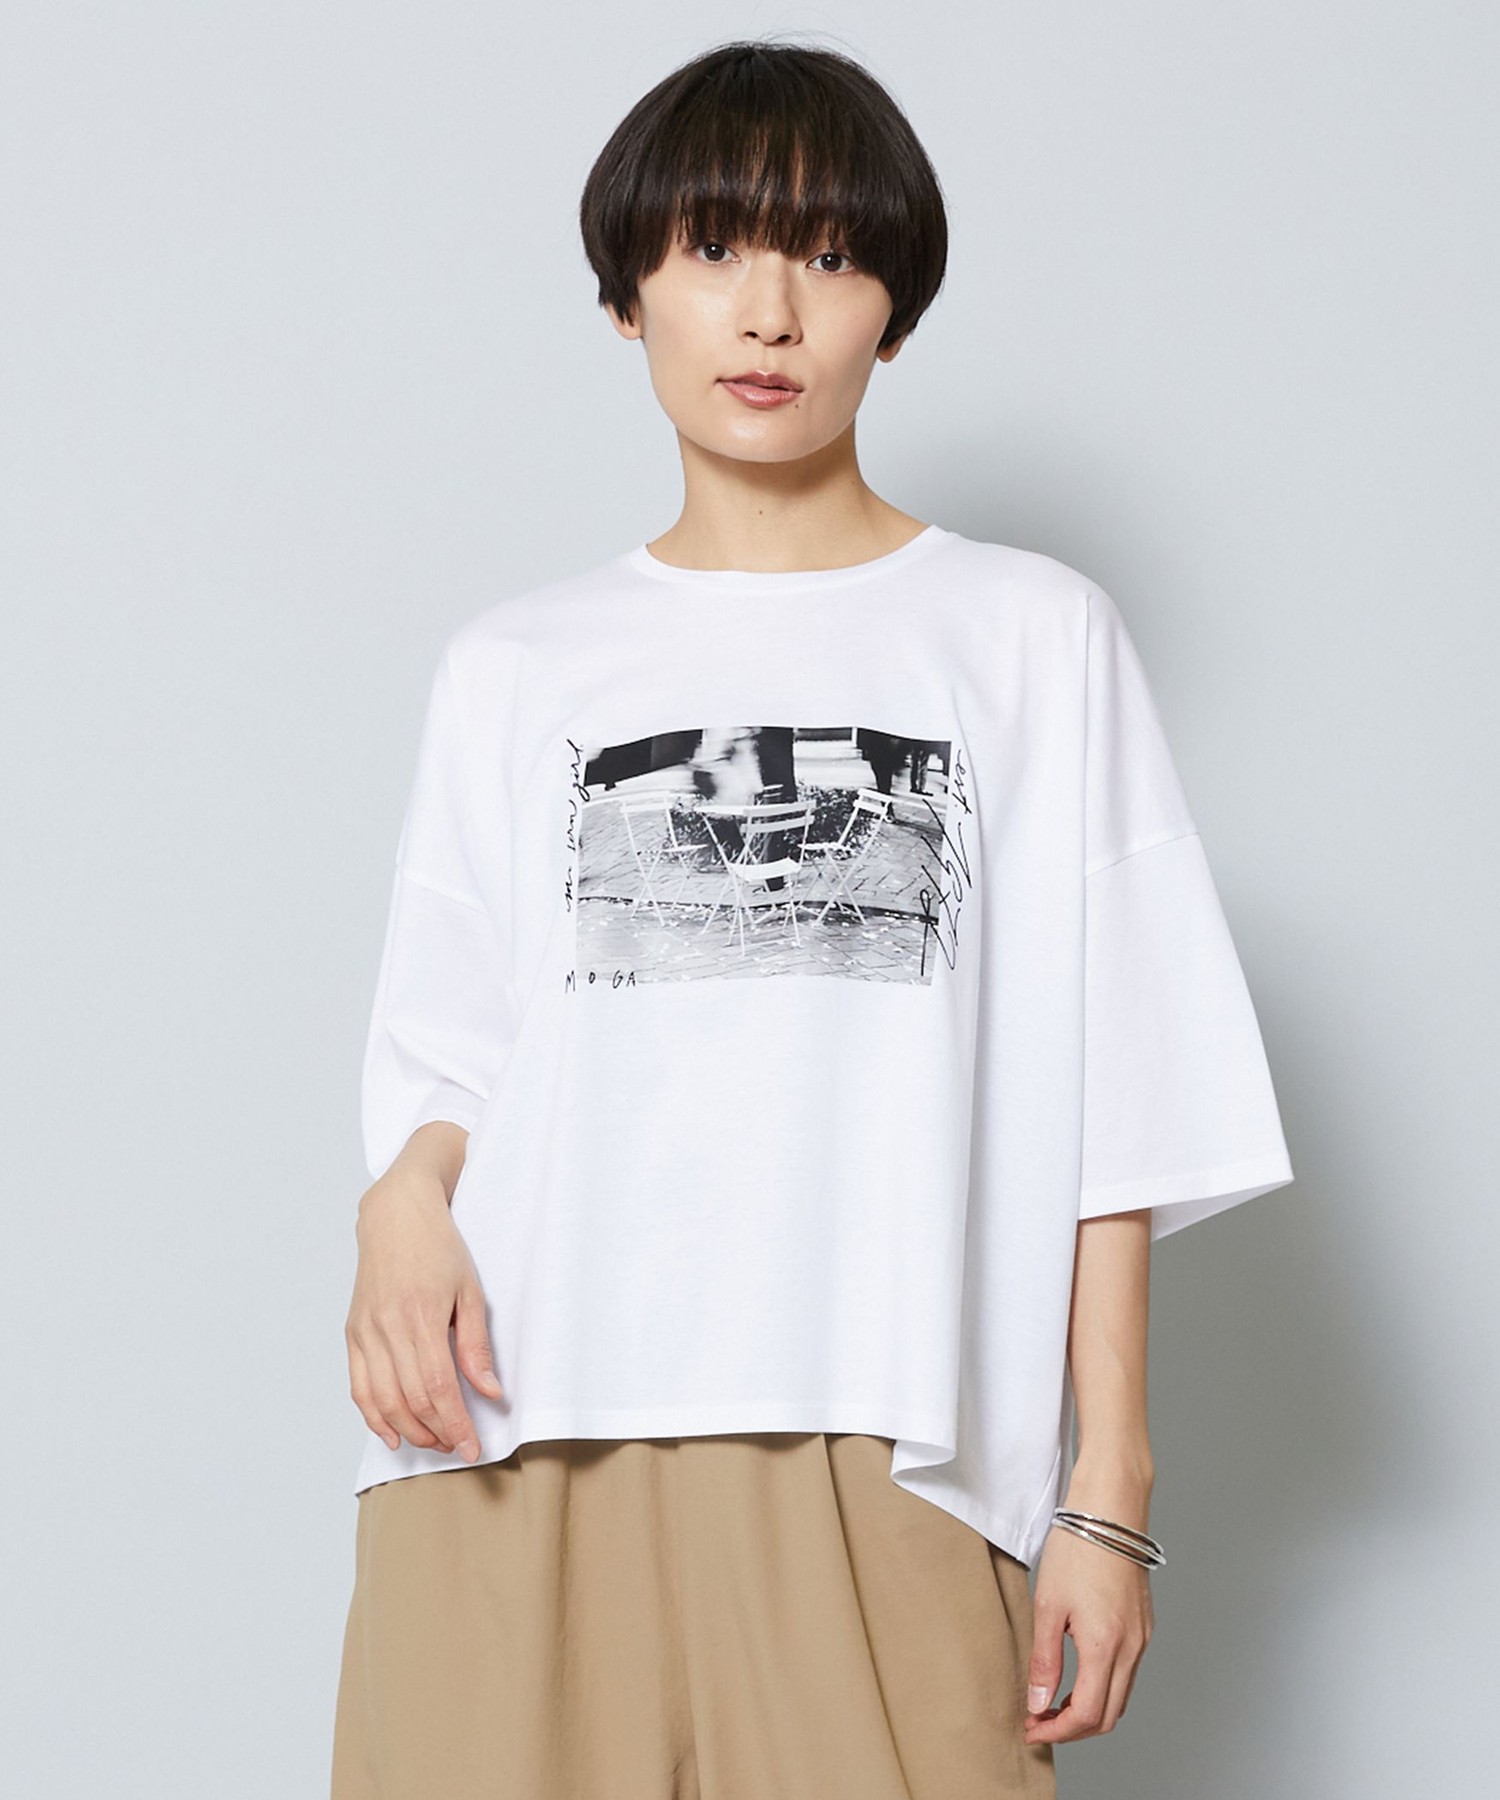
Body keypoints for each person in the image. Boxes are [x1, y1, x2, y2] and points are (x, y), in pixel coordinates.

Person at [331, 37, 1295, 1800]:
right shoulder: (513, 665)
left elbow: (1129, 1092)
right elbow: (454, 1048)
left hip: (886, 1436)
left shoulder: (1030, 637)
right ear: (626, 293)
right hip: (512, 1438)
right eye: (714, 249)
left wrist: (1111, 1494)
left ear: (894, 315)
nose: (770, 312)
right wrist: (400, 1199)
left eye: (832, 258)